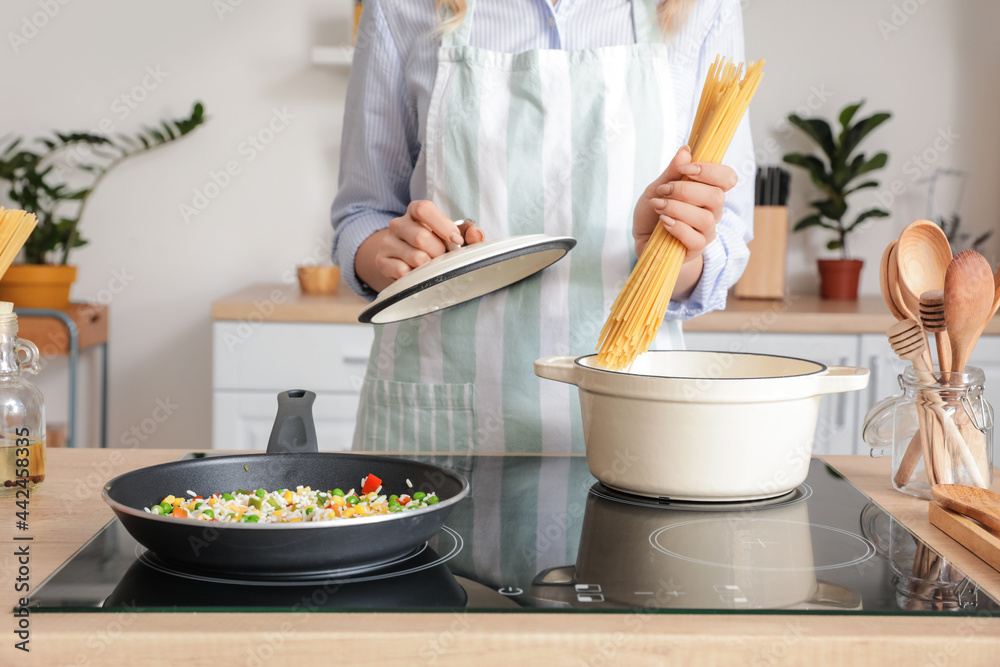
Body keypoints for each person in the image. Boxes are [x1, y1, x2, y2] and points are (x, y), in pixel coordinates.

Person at [331, 0, 753, 454]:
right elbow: (362, 214)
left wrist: (677, 254)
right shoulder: (399, 7)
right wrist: (388, 255)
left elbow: (725, 232)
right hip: (439, 416)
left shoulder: (705, 9)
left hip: (631, 409)